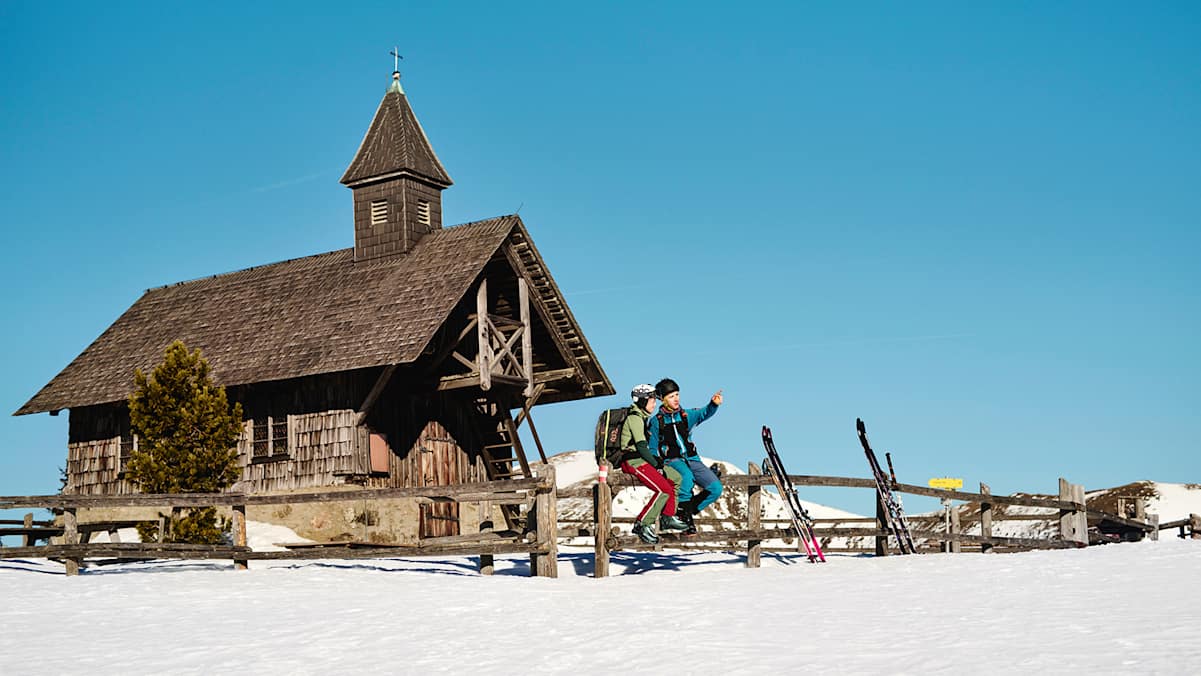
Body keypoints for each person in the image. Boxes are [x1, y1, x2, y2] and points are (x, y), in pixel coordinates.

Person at [647, 378, 724, 535]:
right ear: (662, 399)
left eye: (677, 394)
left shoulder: (685, 415)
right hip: (672, 460)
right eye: (671, 396)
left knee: (716, 488)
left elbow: (704, 413)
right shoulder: (657, 422)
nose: (676, 399)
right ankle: (685, 520)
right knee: (686, 477)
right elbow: (653, 447)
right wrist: (657, 465)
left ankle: (684, 512)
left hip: (692, 459)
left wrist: (713, 404)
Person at [618, 384, 690, 544]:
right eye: (652, 400)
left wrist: (656, 462)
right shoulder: (634, 419)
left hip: (643, 459)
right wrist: (656, 464)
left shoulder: (643, 418)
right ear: (643, 401)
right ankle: (642, 524)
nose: (655, 403)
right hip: (633, 461)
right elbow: (642, 446)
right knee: (663, 489)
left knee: (676, 478)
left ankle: (667, 517)